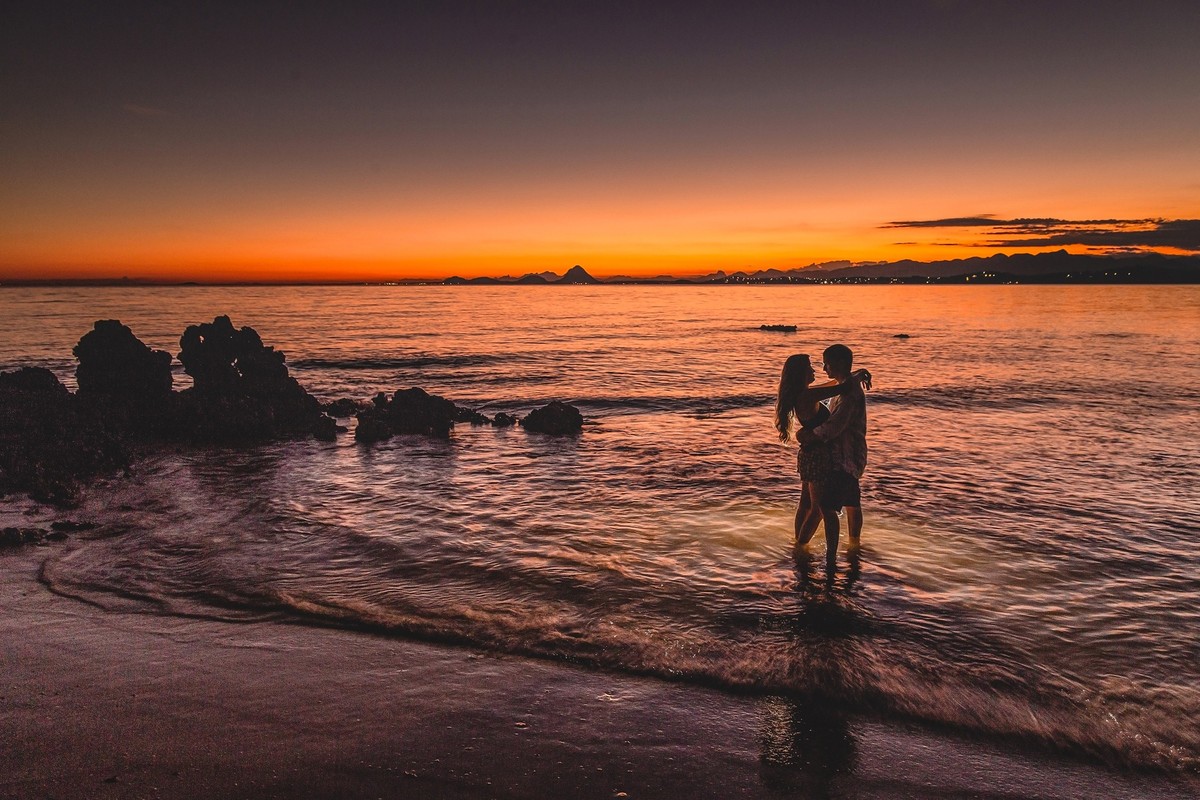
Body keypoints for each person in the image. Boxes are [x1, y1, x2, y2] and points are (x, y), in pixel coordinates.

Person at [775, 354, 870, 557]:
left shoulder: (803, 393)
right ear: (801, 373)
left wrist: (856, 374)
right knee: (818, 509)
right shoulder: (808, 396)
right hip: (817, 456)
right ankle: (801, 547)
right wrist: (857, 375)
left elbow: (834, 383)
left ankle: (798, 542)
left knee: (805, 505)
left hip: (807, 455)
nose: (814, 370)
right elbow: (842, 387)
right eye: (809, 368)